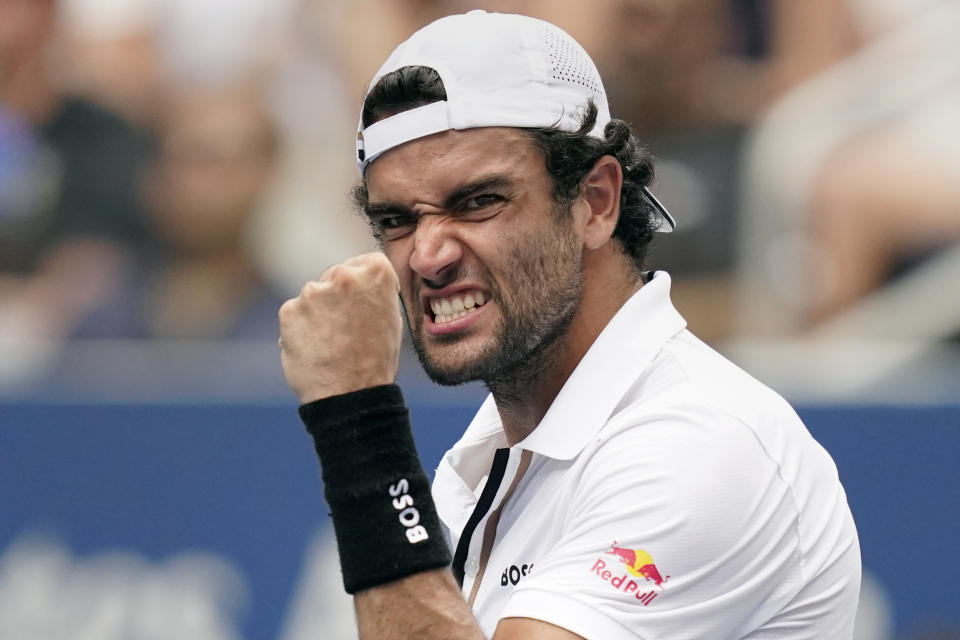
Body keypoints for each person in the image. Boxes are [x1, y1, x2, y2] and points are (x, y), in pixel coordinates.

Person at [278, 10, 861, 640]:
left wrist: (359, 425)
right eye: (396, 221)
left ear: (596, 203)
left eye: (478, 202)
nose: (427, 256)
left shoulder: (701, 444)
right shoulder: (492, 454)